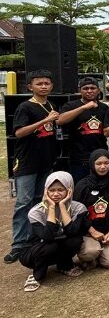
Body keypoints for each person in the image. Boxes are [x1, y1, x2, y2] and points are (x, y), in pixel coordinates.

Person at [6, 69, 59, 264]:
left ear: (51, 85)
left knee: (40, 201)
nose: (43, 86)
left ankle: (35, 237)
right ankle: (19, 244)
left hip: (45, 161)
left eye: (47, 83)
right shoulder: (25, 107)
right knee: (23, 202)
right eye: (39, 83)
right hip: (27, 163)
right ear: (30, 87)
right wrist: (45, 120)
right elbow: (19, 133)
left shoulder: (50, 105)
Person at [20, 172, 89, 292]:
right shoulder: (36, 211)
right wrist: (51, 207)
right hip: (35, 251)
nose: (56, 194)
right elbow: (47, 236)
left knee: (75, 241)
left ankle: (64, 266)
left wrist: (62, 206)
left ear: (69, 190)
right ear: (46, 191)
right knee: (50, 245)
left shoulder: (78, 208)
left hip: (57, 247)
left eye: (60, 190)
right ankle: (37, 275)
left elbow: (72, 232)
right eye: (51, 190)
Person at [74, 149, 109, 269]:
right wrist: (92, 231)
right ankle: (90, 254)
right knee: (90, 252)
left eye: (106, 163)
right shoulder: (82, 186)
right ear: (92, 164)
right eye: (99, 163)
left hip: (108, 231)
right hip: (88, 232)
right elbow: (77, 213)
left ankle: (101, 253)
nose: (103, 167)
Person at [57, 76, 109, 182]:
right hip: (78, 156)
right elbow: (59, 120)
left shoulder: (104, 108)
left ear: (98, 90)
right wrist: (83, 107)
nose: (89, 91)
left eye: (92, 88)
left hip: (100, 156)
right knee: (80, 186)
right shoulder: (71, 105)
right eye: (85, 88)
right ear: (80, 90)